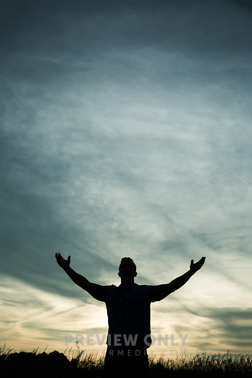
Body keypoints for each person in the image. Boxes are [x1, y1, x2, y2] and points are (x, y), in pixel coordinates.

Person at [55, 254, 205, 378]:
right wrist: (67, 268)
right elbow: (86, 284)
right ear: (119, 273)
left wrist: (191, 272)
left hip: (138, 353)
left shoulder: (145, 292)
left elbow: (170, 287)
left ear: (135, 273)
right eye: (123, 267)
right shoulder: (110, 293)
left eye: (130, 266)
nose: (126, 268)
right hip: (114, 353)